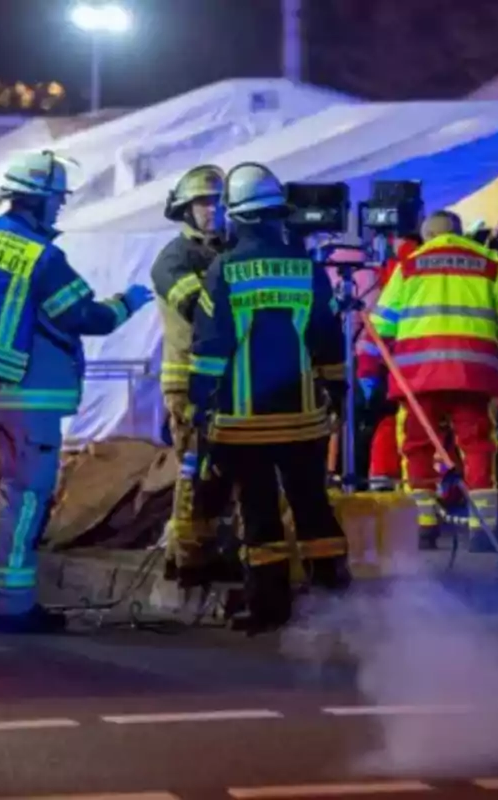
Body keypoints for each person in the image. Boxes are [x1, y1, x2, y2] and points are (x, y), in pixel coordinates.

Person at [0, 150, 153, 633]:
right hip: (32, 401)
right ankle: (12, 609)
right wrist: (129, 301)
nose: (59, 211)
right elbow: (86, 316)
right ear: (40, 201)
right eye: (57, 202)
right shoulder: (43, 258)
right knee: (24, 501)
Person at [188, 162, 349, 633]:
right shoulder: (307, 269)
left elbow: (211, 348)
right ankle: (333, 600)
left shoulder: (224, 270)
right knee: (312, 505)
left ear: (236, 216)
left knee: (259, 513)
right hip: (303, 419)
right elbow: (327, 338)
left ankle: (269, 606)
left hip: (243, 421)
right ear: (279, 214)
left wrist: (200, 405)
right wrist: (336, 391)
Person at [360, 211, 498, 551]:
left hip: (418, 375)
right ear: (460, 232)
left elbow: (384, 325)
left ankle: (424, 527)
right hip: (474, 372)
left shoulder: (409, 266)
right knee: (477, 446)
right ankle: (483, 530)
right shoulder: (491, 263)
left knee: (417, 447)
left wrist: (369, 365)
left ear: (428, 235)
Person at [149, 164, 227, 585]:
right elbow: (204, 313)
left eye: (217, 202)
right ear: (184, 209)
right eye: (201, 203)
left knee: (222, 470)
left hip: (226, 378)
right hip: (188, 380)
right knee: (194, 466)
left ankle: (209, 547)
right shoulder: (174, 259)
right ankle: (186, 557)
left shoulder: (226, 251)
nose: (211, 210)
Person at [357, 234, 421, 492]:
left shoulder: (407, 266)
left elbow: (379, 326)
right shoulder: (480, 262)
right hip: (468, 366)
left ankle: (386, 480)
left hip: (404, 367)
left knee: (391, 421)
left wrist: (366, 371)